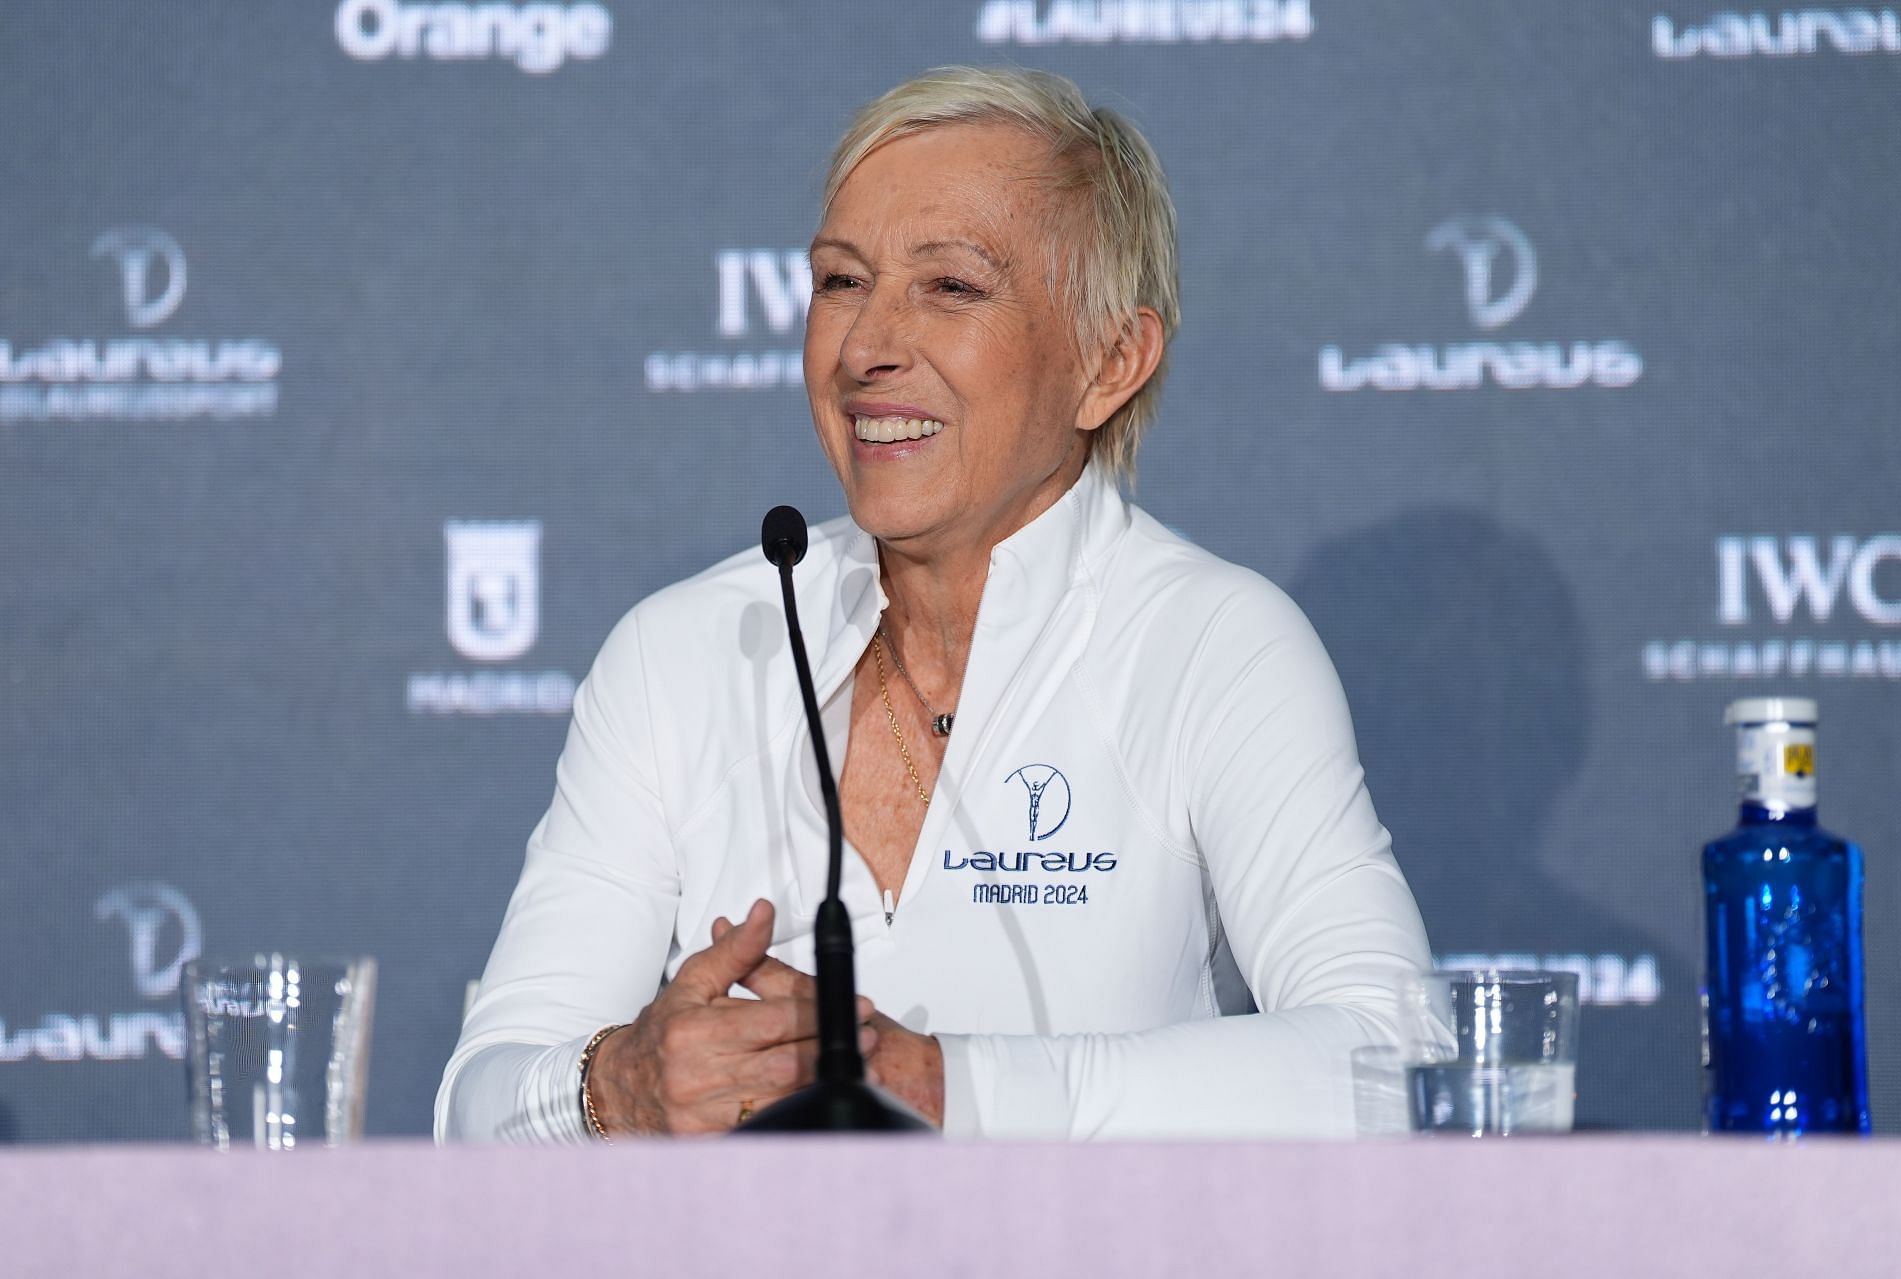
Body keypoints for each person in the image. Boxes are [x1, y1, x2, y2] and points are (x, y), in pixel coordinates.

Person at [435, 66, 1431, 1142]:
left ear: (1110, 361)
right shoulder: (685, 649)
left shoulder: (1212, 645)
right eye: (840, 282)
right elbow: (476, 1100)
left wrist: (949, 1090)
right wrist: (608, 1089)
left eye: (950, 287)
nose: (865, 347)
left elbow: (1388, 1058)